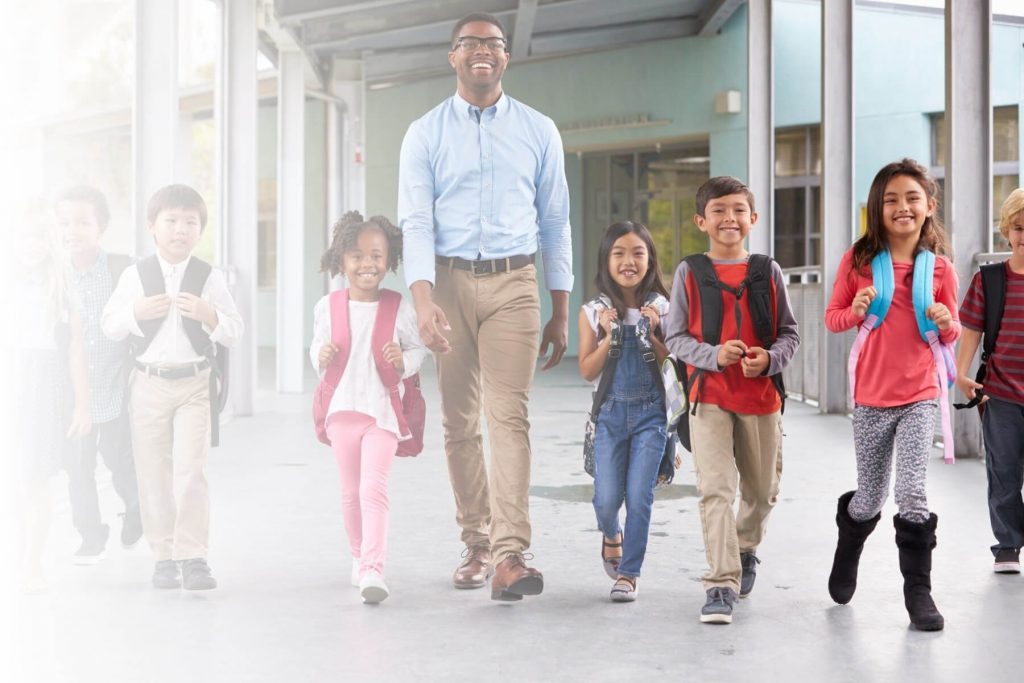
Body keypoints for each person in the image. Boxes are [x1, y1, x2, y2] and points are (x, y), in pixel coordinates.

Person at [397, 11, 572, 601]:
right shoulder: (424, 133)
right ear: (453, 57)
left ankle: (509, 553)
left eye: (492, 44)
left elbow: (554, 221)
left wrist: (560, 305)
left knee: (509, 415)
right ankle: (475, 540)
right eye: (469, 43)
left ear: (505, 57)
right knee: (459, 420)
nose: (482, 51)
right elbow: (416, 221)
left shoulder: (538, 128)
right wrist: (422, 300)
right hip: (446, 283)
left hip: (514, 282)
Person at [825, 158, 960, 632]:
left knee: (911, 490)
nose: (902, 207)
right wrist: (856, 308)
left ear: (929, 206)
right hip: (871, 396)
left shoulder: (940, 268)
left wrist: (947, 323)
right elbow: (833, 317)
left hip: (921, 391)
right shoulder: (858, 261)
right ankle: (850, 542)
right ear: (877, 208)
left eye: (912, 198)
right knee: (870, 496)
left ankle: (918, 593)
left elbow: (953, 331)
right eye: (891, 200)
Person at [664, 176, 800, 624]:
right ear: (701, 221)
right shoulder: (689, 271)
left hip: (761, 398)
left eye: (739, 210)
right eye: (719, 210)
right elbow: (676, 337)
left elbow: (789, 333)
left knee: (762, 493)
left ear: (753, 219)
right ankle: (720, 583)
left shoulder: (768, 270)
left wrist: (771, 359)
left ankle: (744, 548)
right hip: (711, 397)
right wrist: (714, 356)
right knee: (715, 490)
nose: (730, 218)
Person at [101, 184, 243, 591]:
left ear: (200, 230)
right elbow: (110, 324)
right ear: (153, 227)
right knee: (153, 473)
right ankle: (163, 555)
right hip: (147, 384)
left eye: (190, 222)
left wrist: (209, 314)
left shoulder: (208, 277)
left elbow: (235, 330)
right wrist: (135, 312)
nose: (181, 229)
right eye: (172, 221)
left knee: (191, 471)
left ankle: (193, 555)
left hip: (195, 384)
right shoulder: (135, 275)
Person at [311, 211, 427, 604]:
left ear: (389, 260)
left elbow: (417, 349)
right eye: (357, 255)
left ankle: (374, 568)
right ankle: (359, 556)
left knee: (373, 488)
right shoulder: (327, 306)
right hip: (343, 409)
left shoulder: (399, 307)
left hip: (383, 411)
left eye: (377, 255)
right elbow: (317, 349)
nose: (367, 264)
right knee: (349, 491)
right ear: (341, 260)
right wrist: (320, 354)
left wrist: (403, 360)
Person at [578, 221, 670, 602]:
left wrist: (653, 333)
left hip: (652, 415)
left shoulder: (664, 308)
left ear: (650, 261)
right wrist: (608, 334)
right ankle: (611, 533)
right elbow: (587, 370)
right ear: (606, 260)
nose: (628, 261)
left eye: (637, 253)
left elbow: (674, 365)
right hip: (611, 416)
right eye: (619, 253)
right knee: (606, 498)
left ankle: (629, 574)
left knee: (639, 495)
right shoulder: (593, 311)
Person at [56, 186, 142, 564]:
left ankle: (136, 509)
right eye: (63, 222)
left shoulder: (122, 269)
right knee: (77, 466)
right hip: (74, 389)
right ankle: (91, 535)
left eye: (82, 222)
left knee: (119, 459)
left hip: (116, 383)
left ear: (101, 226)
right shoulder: (56, 276)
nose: (71, 230)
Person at [10, 200, 91, 592]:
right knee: (12, 477)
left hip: (42, 380)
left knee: (36, 477)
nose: (31, 243)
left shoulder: (62, 281)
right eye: (23, 235)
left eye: (39, 235)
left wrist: (83, 404)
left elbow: (76, 347)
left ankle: (32, 562)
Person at [955, 187, 1024, 575]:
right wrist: (962, 374)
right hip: (1000, 392)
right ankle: (1008, 546)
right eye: (1018, 227)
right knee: (1004, 471)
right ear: (1006, 231)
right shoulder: (991, 280)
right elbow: (972, 330)